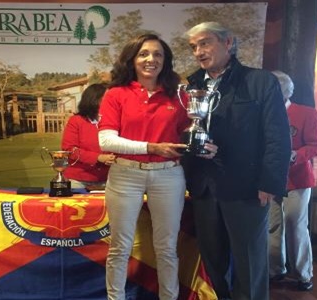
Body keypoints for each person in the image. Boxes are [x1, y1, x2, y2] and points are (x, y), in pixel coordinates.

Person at [98, 33, 217, 300]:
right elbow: (106, 140)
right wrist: (152, 147)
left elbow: (188, 133)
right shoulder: (116, 94)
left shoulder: (178, 94)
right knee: (120, 246)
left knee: (166, 248)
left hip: (168, 175)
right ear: (132, 59)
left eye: (158, 54)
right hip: (125, 174)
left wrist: (203, 145)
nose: (151, 59)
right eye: (144, 54)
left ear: (165, 60)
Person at [181, 22, 291, 300]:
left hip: (247, 187)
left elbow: (277, 136)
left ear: (227, 43)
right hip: (204, 188)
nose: (198, 52)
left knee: (249, 263)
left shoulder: (260, 81)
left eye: (204, 43)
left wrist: (269, 183)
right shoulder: (191, 84)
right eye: (194, 46)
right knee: (212, 261)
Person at [268, 70, 317, 291]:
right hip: (270, 179)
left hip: (298, 178)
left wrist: (295, 155)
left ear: (284, 92)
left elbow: (316, 145)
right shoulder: (263, 114)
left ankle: (303, 274)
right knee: (273, 226)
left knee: (295, 223)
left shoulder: (307, 113)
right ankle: (276, 270)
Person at [61, 83, 116, 189]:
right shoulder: (76, 121)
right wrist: (98, 157)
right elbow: (69, 149)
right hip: (78, 180)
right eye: (107, 98)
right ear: (94, 99)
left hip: (109, 180)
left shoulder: (114, 121)